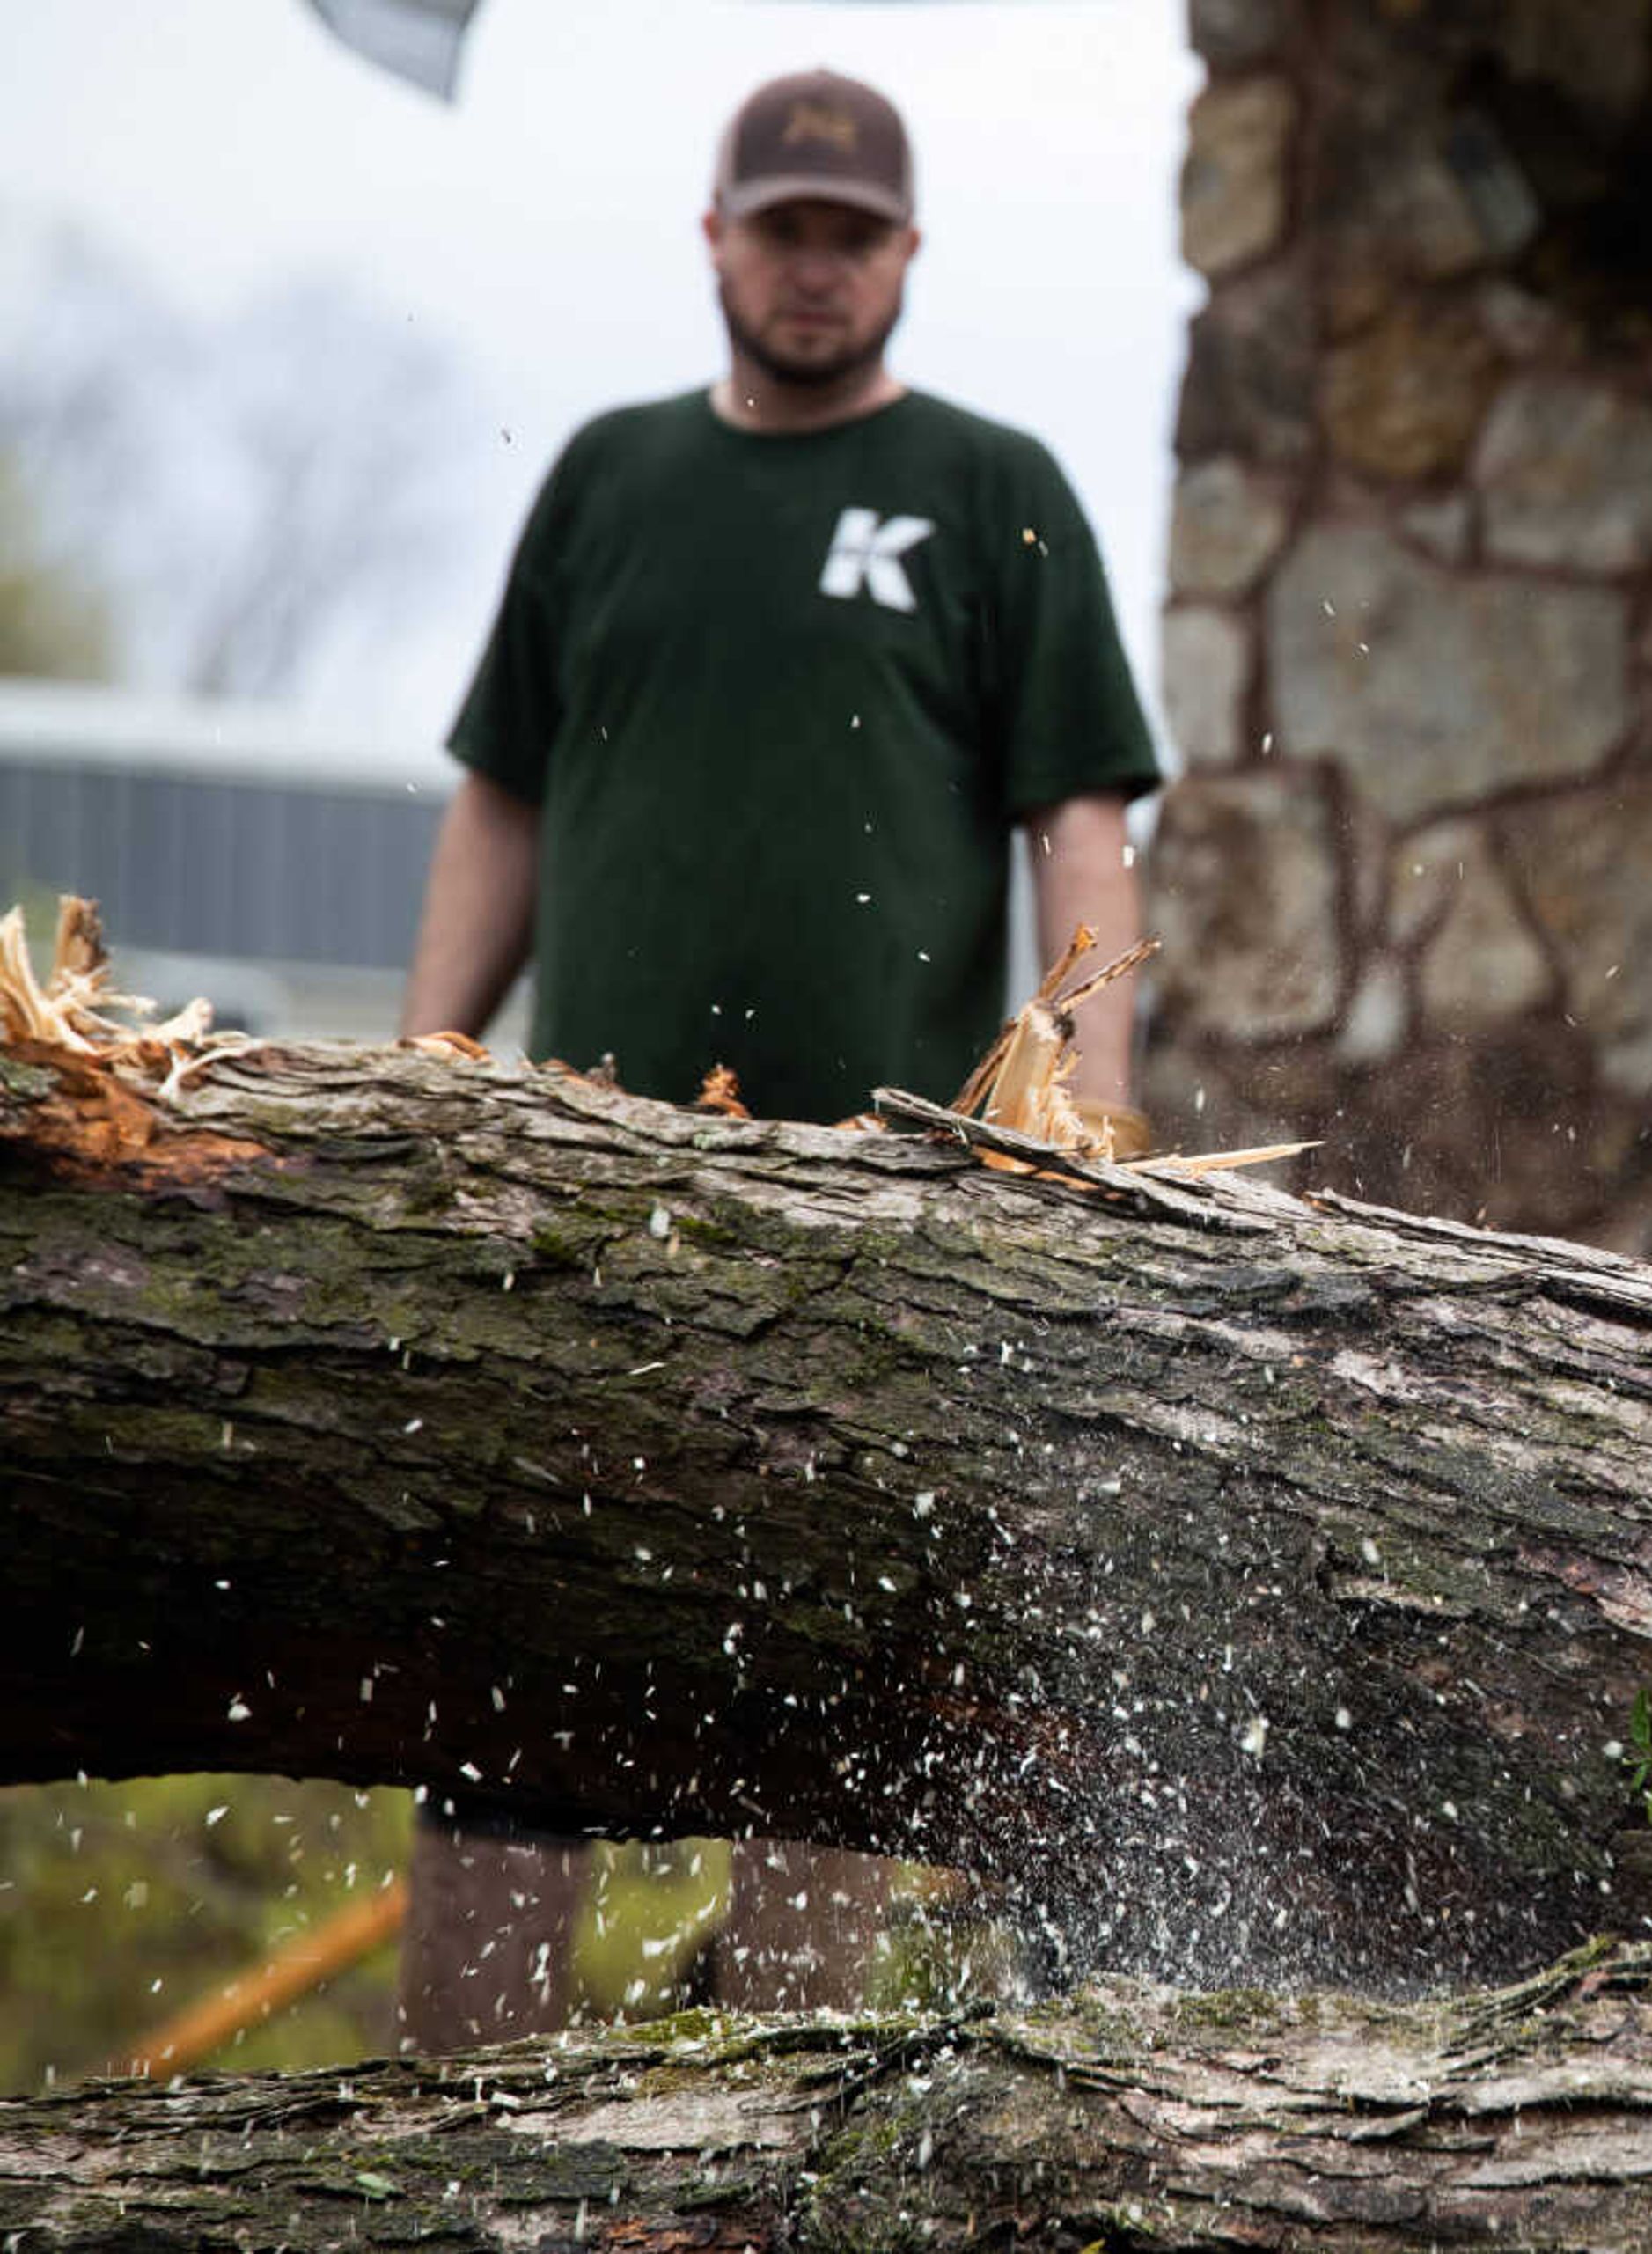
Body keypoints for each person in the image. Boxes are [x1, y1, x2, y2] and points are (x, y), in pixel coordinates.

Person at [394, 69, 1162, 2045]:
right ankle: (454, 2140)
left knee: (823, 1693)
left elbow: (1082, 820)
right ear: (717, 236)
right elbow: (504, 793)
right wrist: (425, 1058)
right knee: (515, 1678)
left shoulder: (997, 489)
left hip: (871, 1226)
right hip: (575, 1204)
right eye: (783, 227)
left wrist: (1080, 1106)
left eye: (853, 235)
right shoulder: (605, 476)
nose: (814, 267)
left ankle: (775, 2135)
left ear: (906, 255)